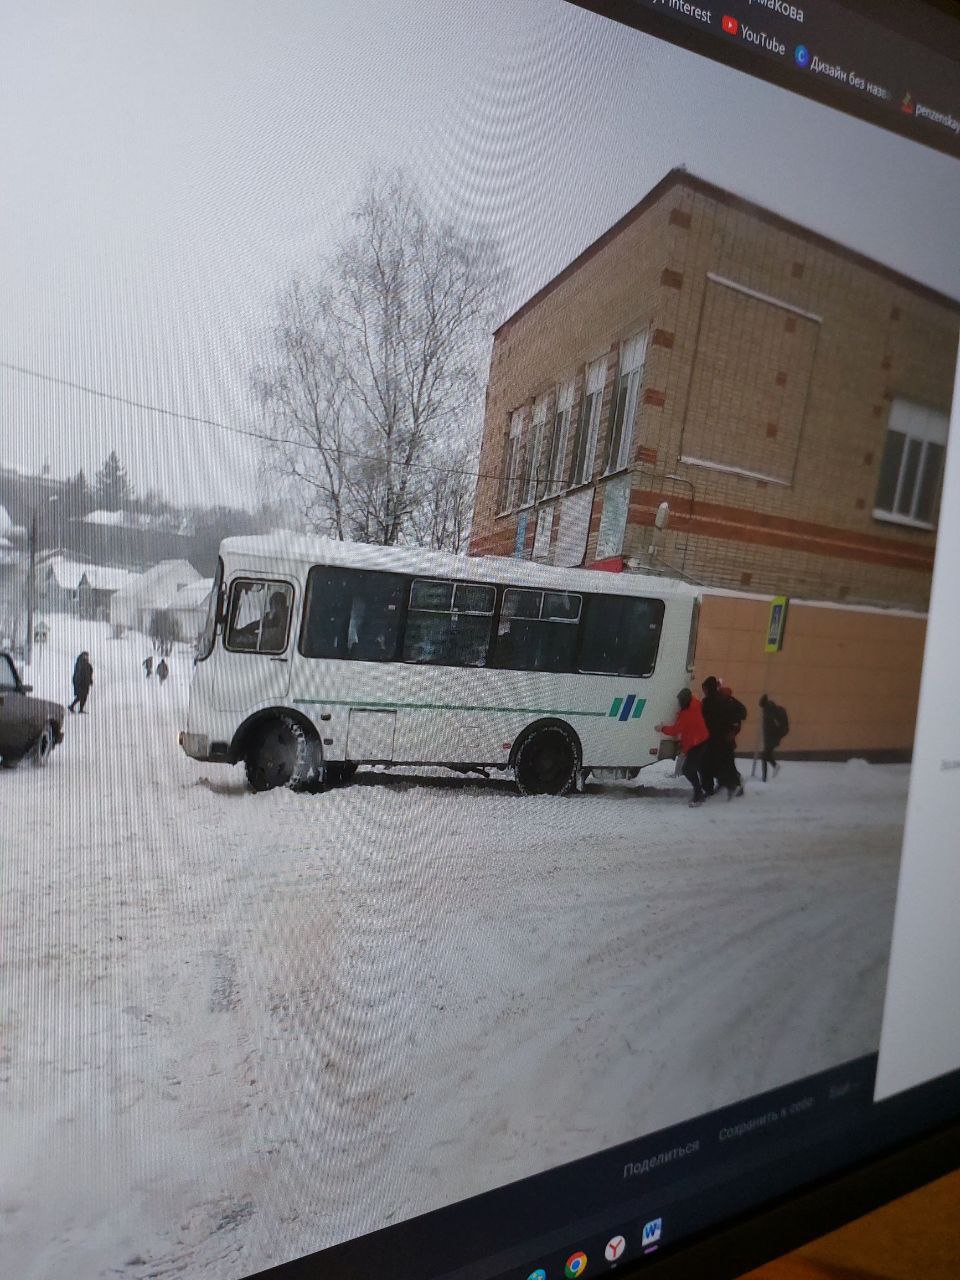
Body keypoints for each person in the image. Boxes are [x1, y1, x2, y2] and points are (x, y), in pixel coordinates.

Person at [656, 688, 710, 807]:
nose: (679, 703)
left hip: (697, 743)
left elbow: (675, 730)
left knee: (688, 769)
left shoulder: (686, 715)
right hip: (701, 740)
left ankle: (699, 795)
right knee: (696, 767)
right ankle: (703, 791)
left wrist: (662, 728)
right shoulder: (695, 703)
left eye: (680, 701)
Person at [701, 675, 745, 799]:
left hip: (721, 740)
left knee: (723, 765)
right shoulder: (709, 700)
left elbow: (739, 715)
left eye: (704, 688)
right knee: (712, 764)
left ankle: (734, 786)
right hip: (713, 739)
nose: (703, 690)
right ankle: (719, 786)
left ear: (708, 688)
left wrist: (733, 731)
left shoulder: (723, 701)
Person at [759, 693, 789, 781]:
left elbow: (772, 726)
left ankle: (764, 777)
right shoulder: (769, 709)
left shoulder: (770, 711)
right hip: (770, 737)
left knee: (764, 756)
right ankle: (775, 766)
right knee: (766, 755)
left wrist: (774, 735)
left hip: (773, 737)